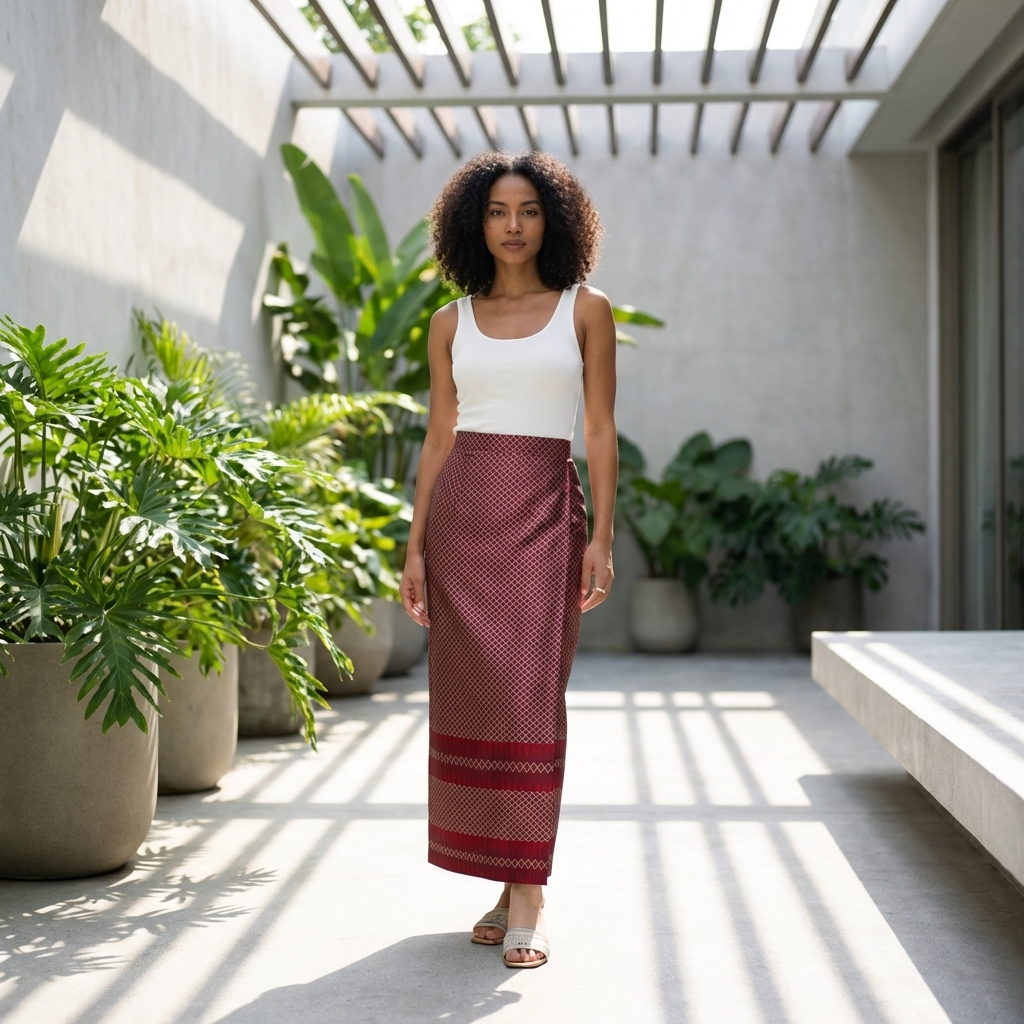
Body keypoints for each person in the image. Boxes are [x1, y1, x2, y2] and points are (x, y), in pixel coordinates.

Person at [400, 151, 618, 969]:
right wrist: (414, 546)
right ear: (475, 223)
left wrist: (602, 537)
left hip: (543, 514)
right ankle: (506, 881)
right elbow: (439, 436)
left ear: (552, 220)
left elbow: (599, 430)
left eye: (528, 210)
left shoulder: (586, 310)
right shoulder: (449, 322)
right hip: (462, 521)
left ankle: (530, 893)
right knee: (479, 701)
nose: (514, 225)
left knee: (530, 697)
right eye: (497, 211)